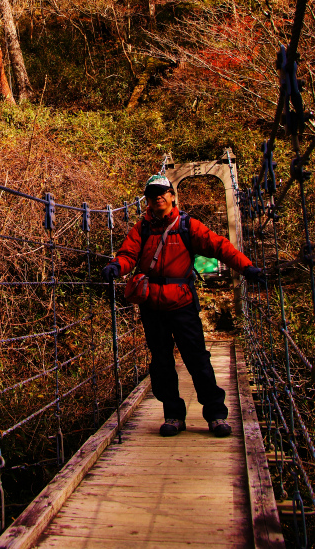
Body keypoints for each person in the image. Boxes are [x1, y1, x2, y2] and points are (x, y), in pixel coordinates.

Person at [102, 174, 262, 438]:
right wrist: (116, 267)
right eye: (153, 193)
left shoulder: (187, 225)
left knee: (197, 359)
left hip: (183, 304)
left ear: (172, 196)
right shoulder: (141, 228)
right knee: (162, 362)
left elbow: (220, 246)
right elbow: (128, 254)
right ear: (148, 200)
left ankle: (216, 415)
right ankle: (173, 415)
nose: (158, 197)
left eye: (163, 192)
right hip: (152, 306)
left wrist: (247, 268)